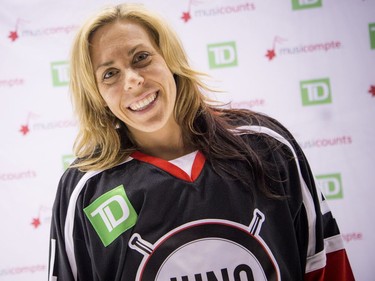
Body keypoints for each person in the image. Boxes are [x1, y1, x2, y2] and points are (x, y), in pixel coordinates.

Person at [48, 3, 355, 281]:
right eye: (110, 74)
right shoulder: (85, 190)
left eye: (141, 57)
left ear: (169, 57)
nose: (132, 80)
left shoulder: (267, 147)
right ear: (96, 96)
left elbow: (326, 266)